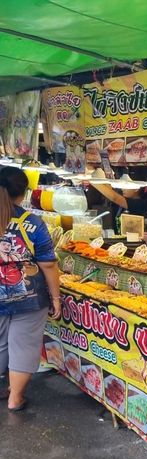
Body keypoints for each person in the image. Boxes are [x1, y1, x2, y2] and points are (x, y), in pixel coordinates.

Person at [0, 167, 60, 411]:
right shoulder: (32, 223)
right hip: (28, 296)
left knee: (2, 343)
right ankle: (15, 399)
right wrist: (55, 297)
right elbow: (48, 264)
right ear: (23, 193)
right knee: (23, 344)